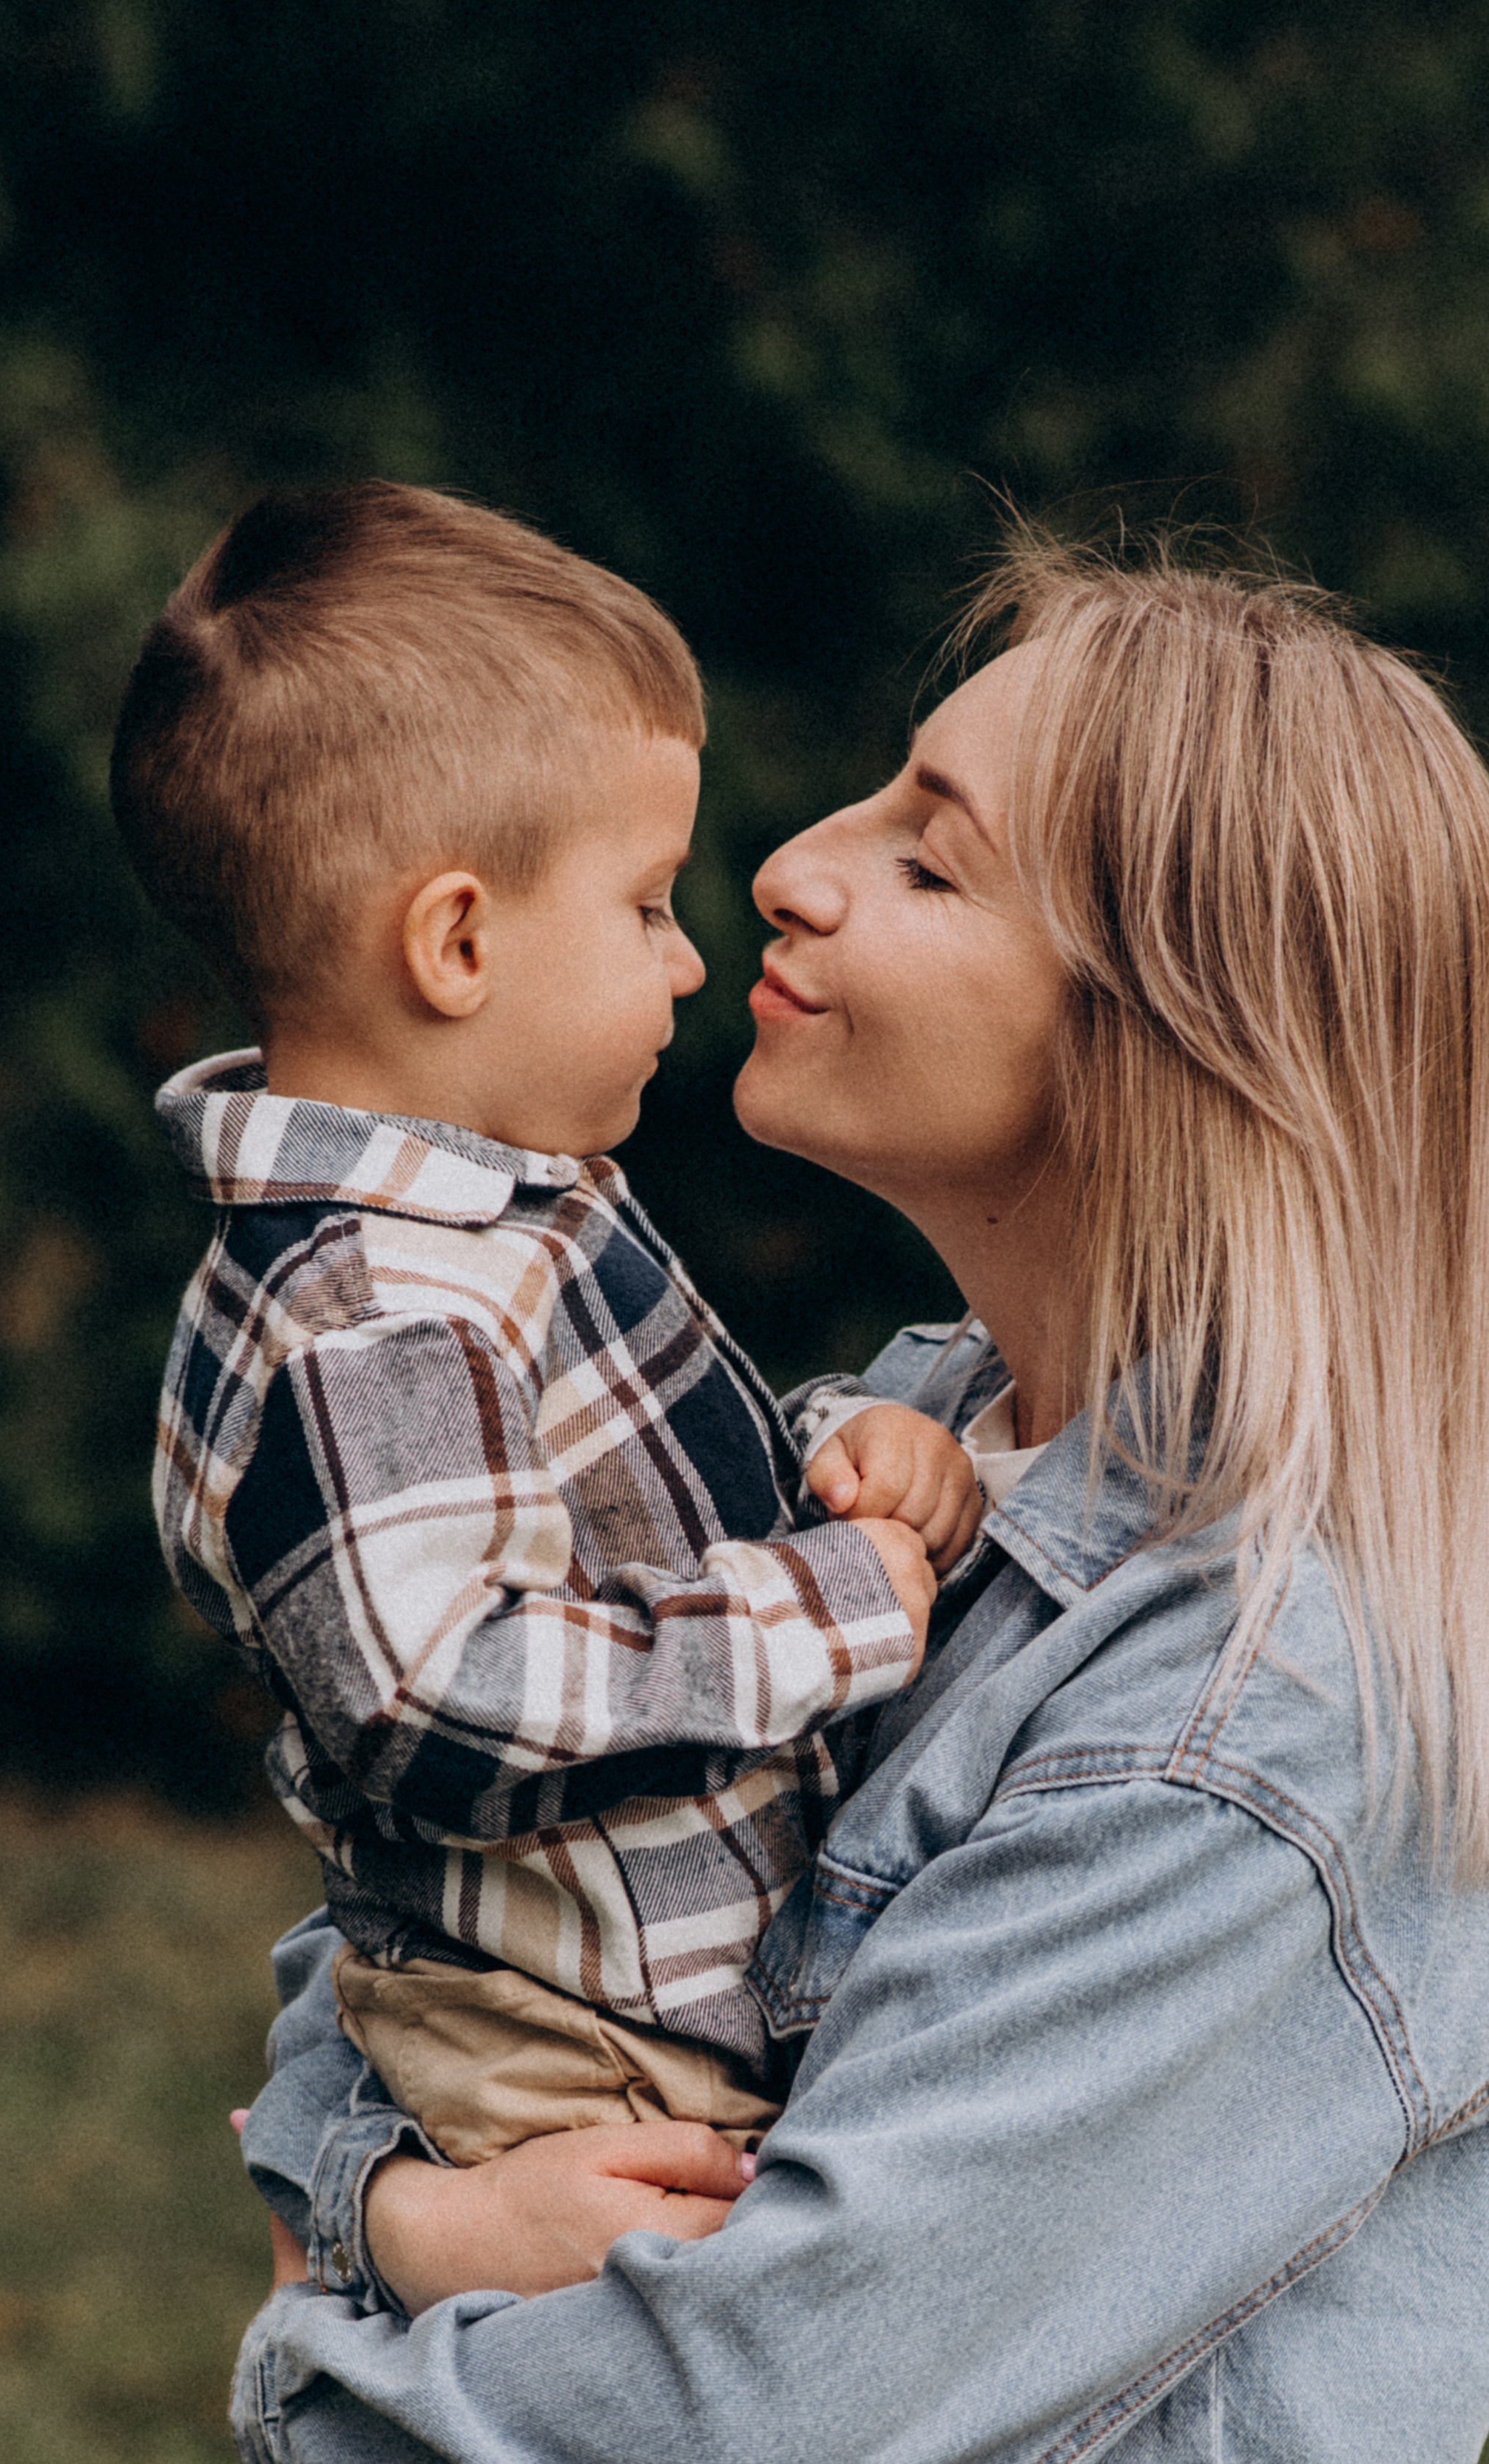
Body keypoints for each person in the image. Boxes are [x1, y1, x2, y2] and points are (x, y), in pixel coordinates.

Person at [227, 530, 1489, 2463]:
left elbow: (739, 2411)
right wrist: (402, 2197)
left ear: (1167, 1041)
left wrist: (311, 2344)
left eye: (929, 855)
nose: (790, 867)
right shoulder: (902, 1443)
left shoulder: (1262, 1710)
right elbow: (417, 1895)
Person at [112, 482, 983, 2173]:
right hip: (584, 2059)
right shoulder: (371, 1319)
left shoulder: (498, 1207)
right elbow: (449, 1696)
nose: (683, 961)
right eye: (646, 903)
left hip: (653, 2003)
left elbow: (610, 1507)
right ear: (455, 941)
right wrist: (825, 1605)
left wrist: (820, 1457)